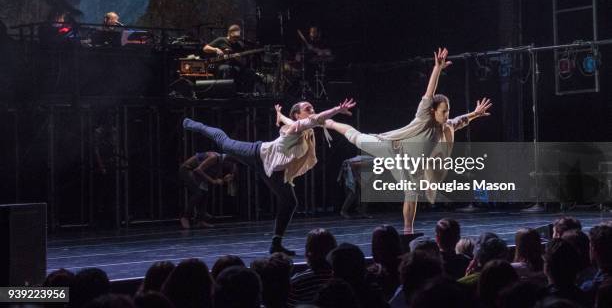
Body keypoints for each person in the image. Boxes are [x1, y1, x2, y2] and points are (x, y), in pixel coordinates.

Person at [321, 48, 492, 233]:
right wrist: (437, 69)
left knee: (411, 194)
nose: (446, 114)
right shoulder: (423, 117)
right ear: (433, 111)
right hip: (392, 149)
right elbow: (429, 94)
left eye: (448, 110)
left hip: (411, 167)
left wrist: (475, 114)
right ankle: (329, 122)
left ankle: (407, 231)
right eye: (443, 111)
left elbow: (460, 121)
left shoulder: (445, 127)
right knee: (356, 137)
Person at [182, 98, 356, 255]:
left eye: (312, 108)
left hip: (272, 171)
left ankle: (276, 243)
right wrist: (337, 109)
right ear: (297, 115)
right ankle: (191, 123)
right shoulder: (295, 128)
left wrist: (280, 115)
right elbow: (316, 119)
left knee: (289, 202)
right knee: (223, 141)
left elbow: (311, 120)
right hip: (256, 153)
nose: (312, 111)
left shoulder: (301, 127)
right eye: (307, 108)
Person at [179, 152, 237, 229]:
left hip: (197, 173)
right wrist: (213, 181)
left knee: (205, 193)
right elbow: (198, 170)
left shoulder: (222, 162)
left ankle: (200, 220)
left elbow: (234, 167)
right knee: (198, 193)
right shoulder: (214, 158)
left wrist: (231, 175)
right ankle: (185, 217)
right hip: (187, 170)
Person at [203, 24, 258, 91]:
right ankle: (225, 92)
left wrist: (239, 59)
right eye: (234, 37)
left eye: (237, 37)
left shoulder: (240, 44)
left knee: (250, 72)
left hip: (236, 66)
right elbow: (205, 48)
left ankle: (246, 94)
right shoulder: (221, 40)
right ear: (229, 34)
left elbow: (244, 60)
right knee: (226, 69)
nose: (236, 39)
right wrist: (216, 49)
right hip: (220, 64)